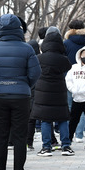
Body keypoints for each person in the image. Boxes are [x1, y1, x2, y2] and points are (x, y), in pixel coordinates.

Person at [0, 14, 40, 170]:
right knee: (20, 135)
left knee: (0, 135)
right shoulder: (27, 48)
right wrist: (25, 84)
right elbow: (35, 73)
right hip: (21, 95)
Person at [31, 28, 73, 157]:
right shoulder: (63, 59)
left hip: (42, 92)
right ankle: (66, 146)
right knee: (62, 119)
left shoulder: (38, 58)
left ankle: (46, 147)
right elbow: (68, 67)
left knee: (45, 120)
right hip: (59, 91)